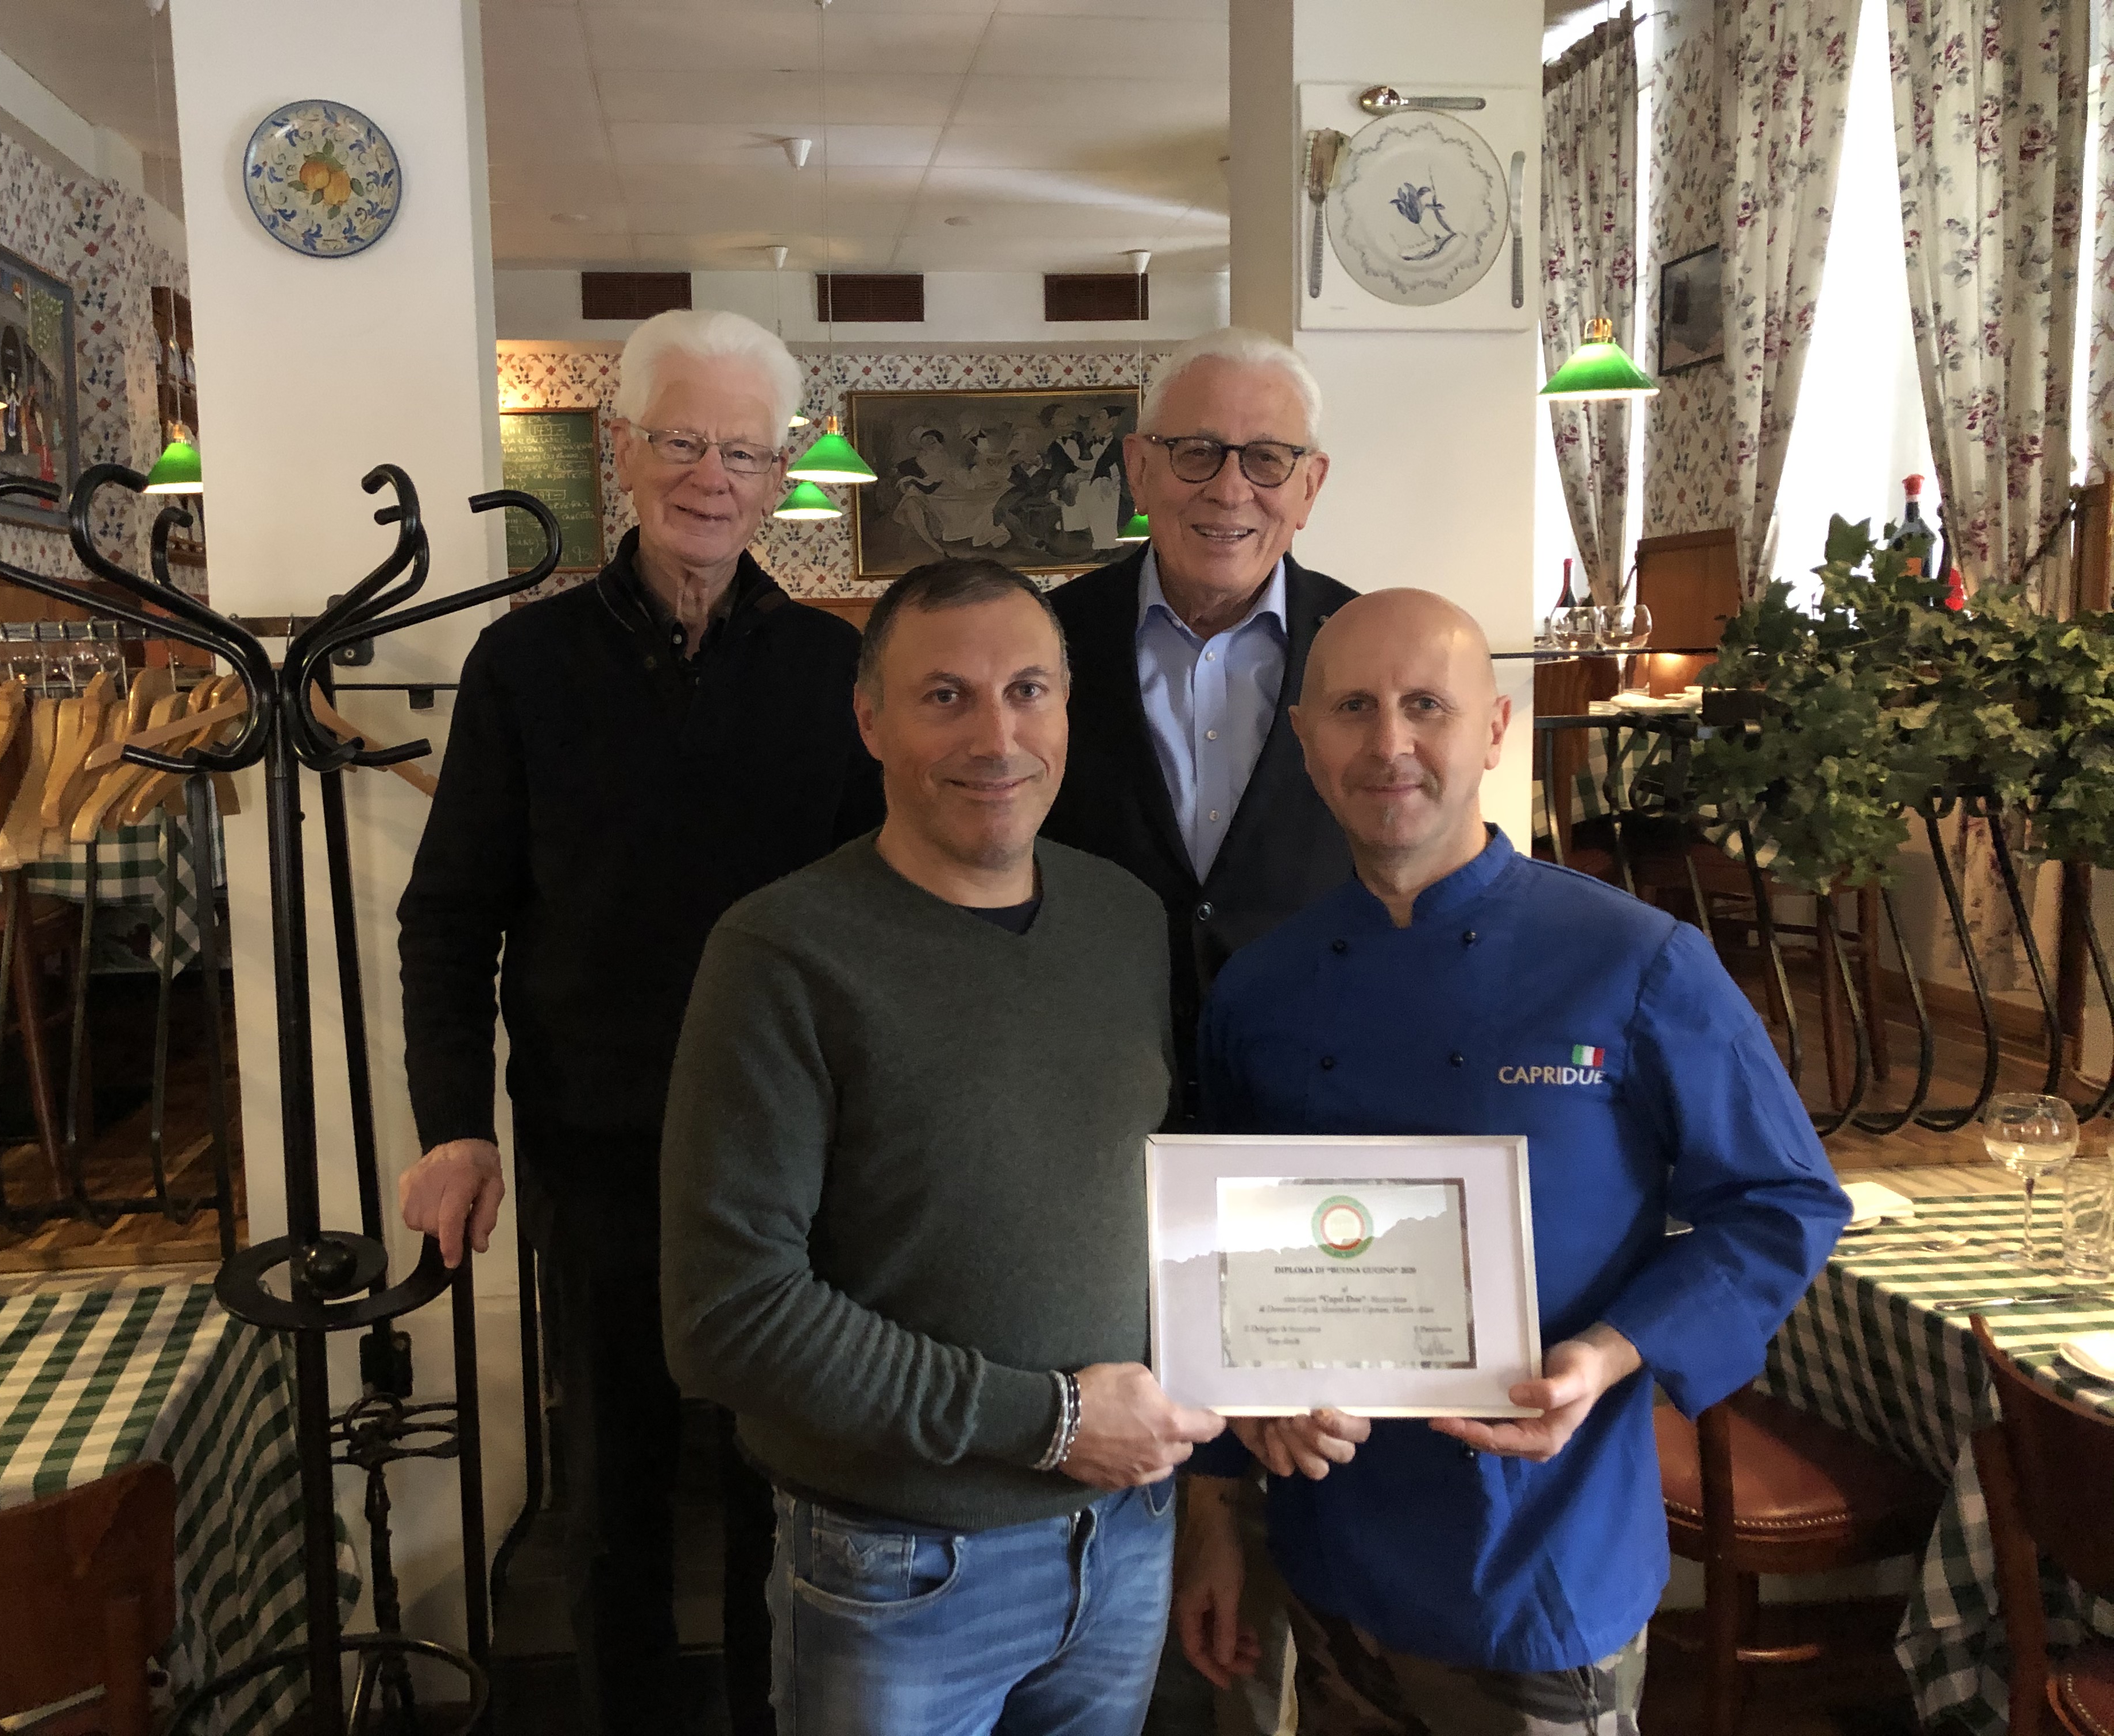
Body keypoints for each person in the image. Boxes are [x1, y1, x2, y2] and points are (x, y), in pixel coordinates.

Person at [1176, 588, 1849, 1734]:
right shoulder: (1260, 987)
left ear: (1493, 729)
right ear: (1305, 740)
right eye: (1353, 708)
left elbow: (1781, 1204)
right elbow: (1216, 1257)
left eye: (1426, 706)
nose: (1389, 743)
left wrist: (1606, 1354)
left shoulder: (1636, 961)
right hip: (1325, 1554)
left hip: (1541, 1560)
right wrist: (1216, 1510)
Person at [394, 307, 882, 1736]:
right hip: (596, 1147)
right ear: (621, 449)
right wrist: (453, 1129)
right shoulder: (524, 667)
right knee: (611, 1497)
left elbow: (880, 921)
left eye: (743, 450)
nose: (710, 476)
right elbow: (450, 915)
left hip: (794, 1155)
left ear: (782, 470)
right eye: (681, 440)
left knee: (776, 1489)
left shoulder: (831, 672)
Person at [660, 559, 1225, 1735]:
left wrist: (1272, 1377)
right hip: (901, 1571)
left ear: (1068, 709)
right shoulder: (780, 955)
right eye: (945, 697)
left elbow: (1157, 1204)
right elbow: (729, 1317)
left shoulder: (1123, 919)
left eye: (1028, 691)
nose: (997, 736)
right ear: (871, 720)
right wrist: (1049, 1421)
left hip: (1124, 1540)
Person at [1042, 328, 1358, 1126]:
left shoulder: (1367, 645)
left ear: (1311, 487)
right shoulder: (1042, 642)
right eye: (1197, 453)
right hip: (1084, 1087)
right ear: (1140, 469)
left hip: (1316, 1085)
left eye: (1267, 459)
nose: (1229, 489)